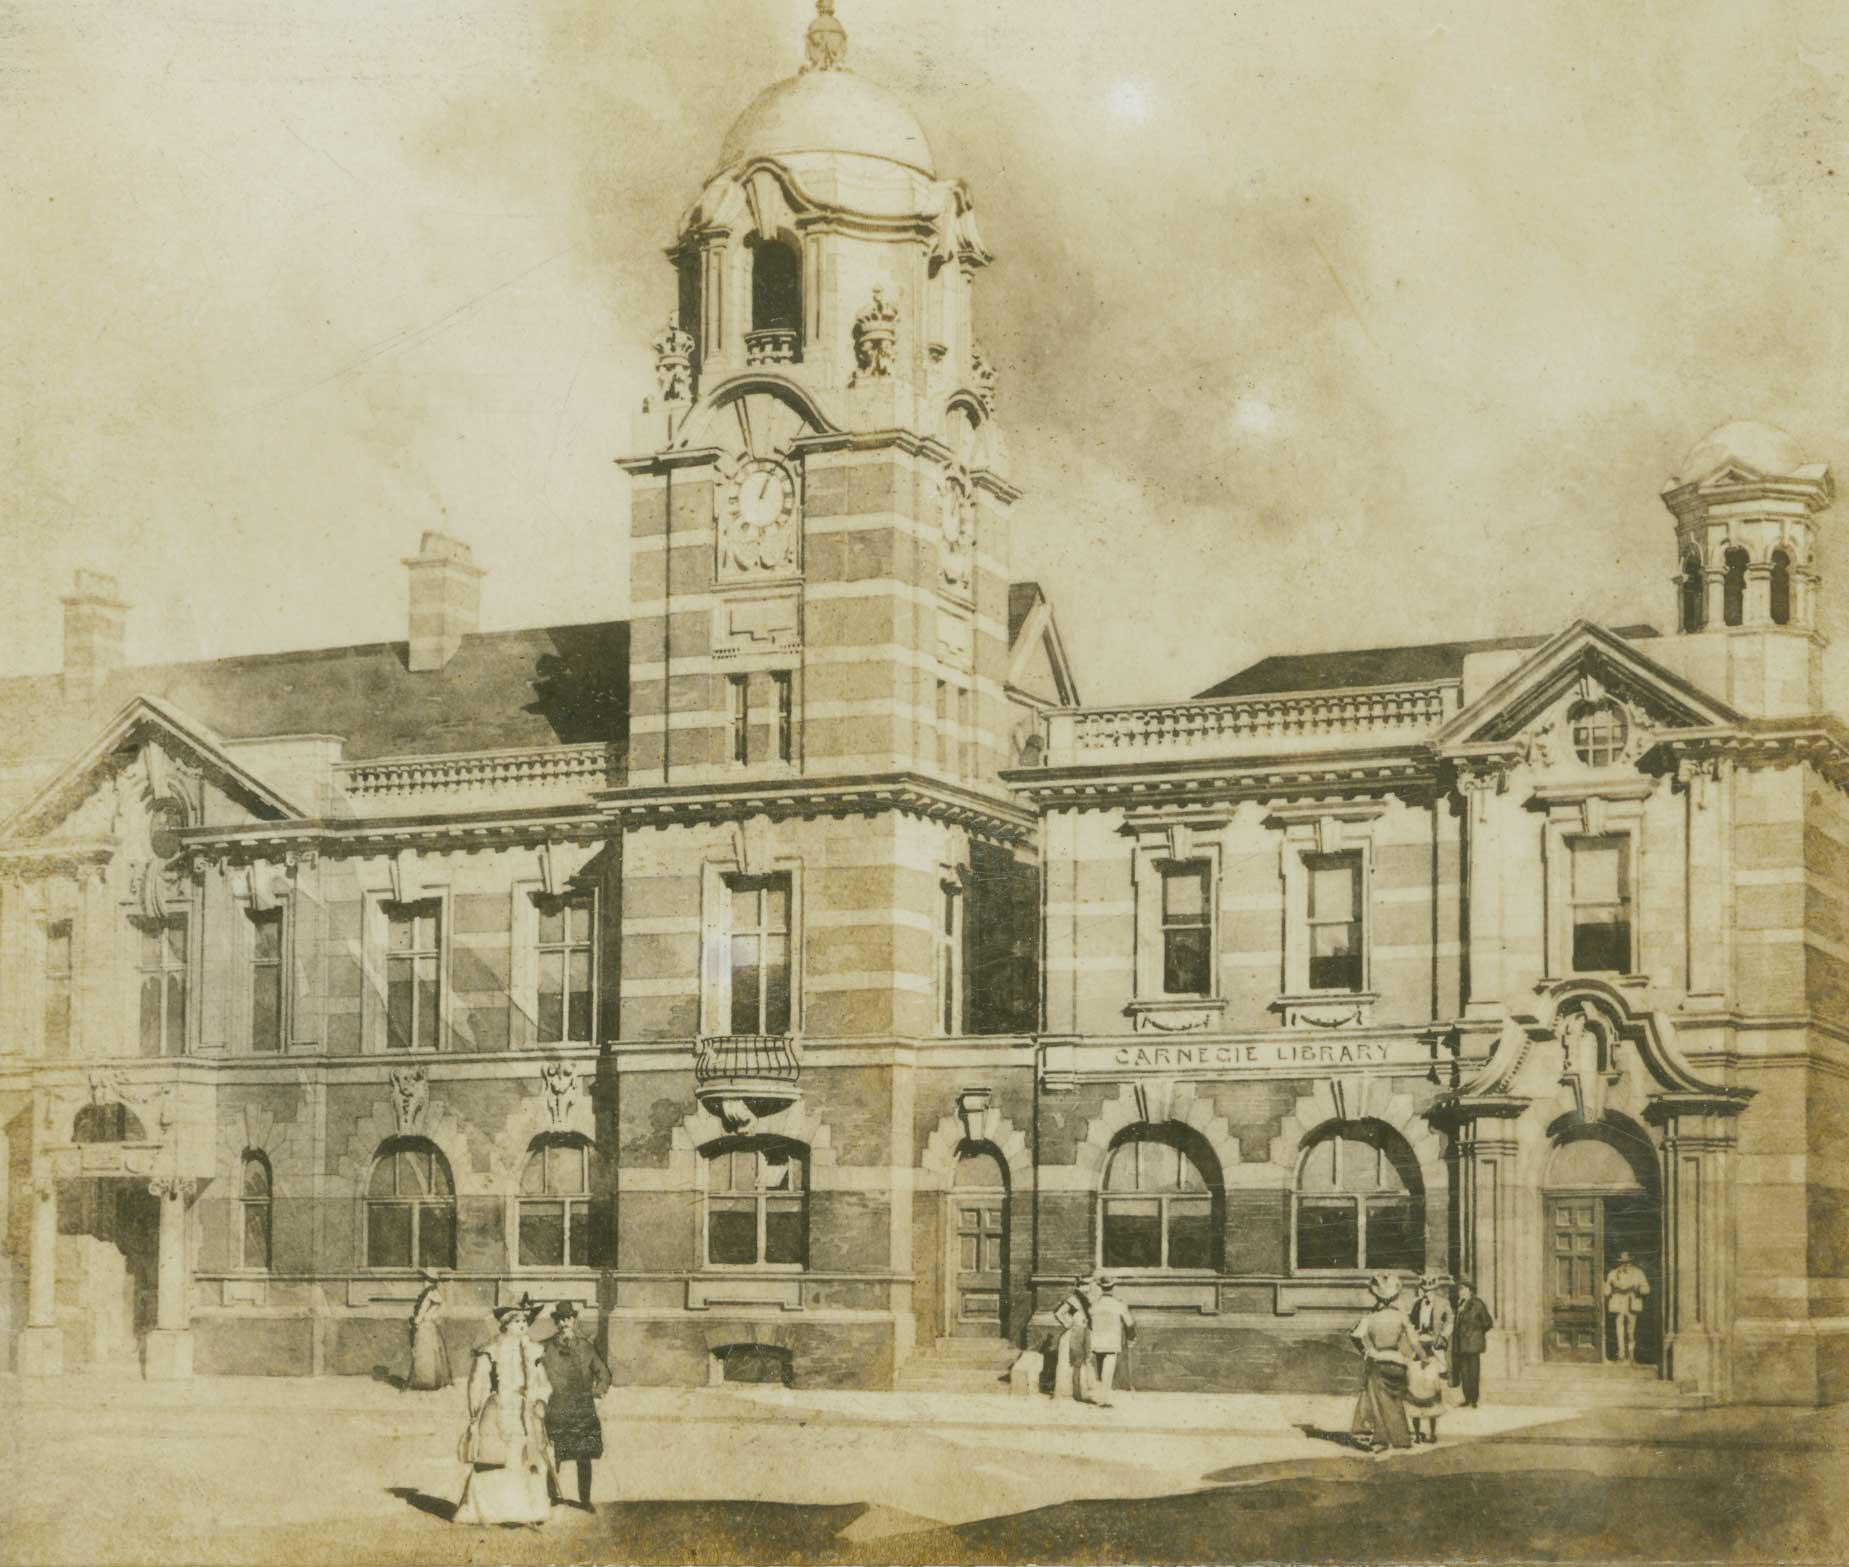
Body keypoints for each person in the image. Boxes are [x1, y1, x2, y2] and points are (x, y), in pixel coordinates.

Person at [455, 1297, 553, 1528]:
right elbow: (476, 1383)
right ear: (505, 1324)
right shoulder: (491, 1350)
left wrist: (540, 1399)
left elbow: (543, 1382)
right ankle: (489, 1510)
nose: (522, 1325)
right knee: (496, 1458)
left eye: (525, 1320)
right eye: (517, 1320)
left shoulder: (534, 1350)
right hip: (499, 1408)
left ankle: (528, 1510)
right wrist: (474, 1414)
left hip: (525, 1409)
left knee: (527, 1457)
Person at [538, 1301, 612, 1511]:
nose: (564, 1323)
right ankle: (551, 1497)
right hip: (557, 1407)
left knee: (584, 1456)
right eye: (560, 1319)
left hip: (582, 1408)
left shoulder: (586, 1347)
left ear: (574, 1320)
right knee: (555, 1455)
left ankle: (585, 1500)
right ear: (555, 1322)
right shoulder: (544, 1348)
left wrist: (597, 1391)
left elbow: (603, 1373)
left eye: (568, 1318)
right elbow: (535, 1375)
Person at [1349, 1272, 1420, 1454]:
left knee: (1377, 1402)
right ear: (1395, 1297)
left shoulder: (1370, 1318)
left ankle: (1381, 1440)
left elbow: (1354, 1335)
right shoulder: (1402, 1317)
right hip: (1397, 1362)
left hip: (1378, 1360)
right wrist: (1418, 1356)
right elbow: (1414, 1341)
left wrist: (1367, 1351)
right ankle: (1401, 1439)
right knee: (1395, 1402)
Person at [1084, 1276, 1135, 1409]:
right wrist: (1131, 1338)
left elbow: (1089, 1323)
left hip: (1097, 1341)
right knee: (1108, 1370)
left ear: (1101, 1288)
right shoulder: (1119, 1304)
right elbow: (1129, 1323)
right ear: (1113, 1287)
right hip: (1112, 1341)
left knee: (1101, 1370)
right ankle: (1105, 1399)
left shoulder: (1094, 1305)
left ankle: (1102, 1397)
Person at [1450, 1279, 1494, 1408]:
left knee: (1473, 1372)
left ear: (1469, 1290)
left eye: (1462, 1289)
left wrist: (1476, 1333)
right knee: (1464, 1372)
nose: (1460, 1292)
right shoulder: (1460, 1304)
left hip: (1473, 1343)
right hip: (1461, 1343)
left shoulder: (1477, 1304)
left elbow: (1487, 1322)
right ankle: (1467, 1398)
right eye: (1459, 1289)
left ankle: (1474, 1399)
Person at [406, 1270, 451, 1391]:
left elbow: (422, 1311)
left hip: (424, 1325)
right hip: (430, 1325)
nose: (423, 1281)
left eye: (425, 1279)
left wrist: (416, 1321)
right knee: (431, 1352)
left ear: (429, 1281)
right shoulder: (434, 1293)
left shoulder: (429, 1293)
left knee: (424, 1352)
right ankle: (430, 1381)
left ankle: (425, 1381)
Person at [1605, 1251, 1651, 1363]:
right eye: (1622, 1262)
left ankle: (1631, 1356)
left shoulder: (1638, 1273)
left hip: (1632, 1302)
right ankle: (1621, 1355)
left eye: (1627, 1262)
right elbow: (1606, 1291)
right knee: (1619, 1330)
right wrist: (1608, 1289)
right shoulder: (1612, 1273)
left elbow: (1646, 1289)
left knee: (1631, 1331)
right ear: (1619, 1263)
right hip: (1618, 1303)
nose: (1625, 1265)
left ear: (1631, 1262)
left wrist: (1638, 1288)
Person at [1052, 1273, 1092, 1402]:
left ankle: (1078, 1393)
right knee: (1069, 1364)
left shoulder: (1085, 1300)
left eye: (1089, 1285)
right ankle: (1066, 1393)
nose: (1087, 1288)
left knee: (1080, 1364)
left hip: (1081, 1334)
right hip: (1072, 1336)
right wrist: (1069, 1324)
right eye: (1085, 1285)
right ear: (1080, 1286)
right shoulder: (1074, 1300)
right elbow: (1059, 1312)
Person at [1409, 1273, 1454, 1358]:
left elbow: (1450, 1321)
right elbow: (1411, 1322)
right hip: (1420, 1341)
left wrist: (1443, 1336)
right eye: (1424, 1290)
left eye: (1429, 1290)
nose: (1426, 1293)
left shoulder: (1443, 1302)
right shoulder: (1417, 1303)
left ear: (1435, 1289)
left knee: (1440, 1366)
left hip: (1436, 1341)